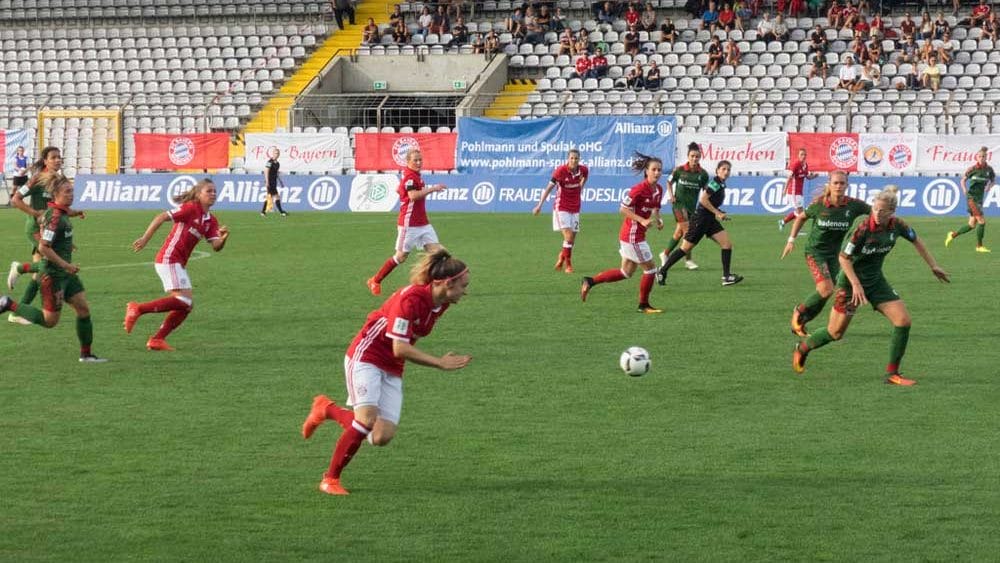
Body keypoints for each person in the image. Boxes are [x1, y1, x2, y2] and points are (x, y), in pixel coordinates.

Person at [301, 249, 472, 496]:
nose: (465, 291)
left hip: (392, 365)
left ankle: (327, 409)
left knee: (380, 437)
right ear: (446, 283)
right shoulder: (410, 300)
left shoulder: (441, 304)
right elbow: (400, 347)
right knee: (366, 421)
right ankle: (330, 479)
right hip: (366, 356)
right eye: (462, 286)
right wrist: (439, 363)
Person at [792, 186, 951, 386]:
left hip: (876, 282)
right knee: (835, 333)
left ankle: (893, 374)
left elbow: (915, 239)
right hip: (850, 285)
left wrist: (933, 265)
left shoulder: (898, 225)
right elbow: (843, 258)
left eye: (881, 210)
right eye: (875, 208)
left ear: (891, 212)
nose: (876, 213)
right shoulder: (862, 229)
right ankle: (803, 348)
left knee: (903, 321)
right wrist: (855, 284)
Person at [0, 176, 106, 362]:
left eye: (72, 191)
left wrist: (70, 233)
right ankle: (9, 304)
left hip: (66, 275)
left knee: (83, 309)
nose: (71, 195)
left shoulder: (61, 212)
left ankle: (86, 355)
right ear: (56, 194)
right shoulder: (55, 217)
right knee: (50, 321)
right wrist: (66, 265)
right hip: (53, 275)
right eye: (67, 192)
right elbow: (43, 247)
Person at [123, 179, 230, 351]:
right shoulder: (190, 208)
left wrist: (223, 238)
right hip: (169, 258)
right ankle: (138, 308)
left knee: (186, 305)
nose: (213, 194)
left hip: (178, 263)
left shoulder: (210, 220)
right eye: (208, 191)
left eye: (214, 191)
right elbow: (161, 217)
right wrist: (145, 238)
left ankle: (157, 339)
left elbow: (216, 246)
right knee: (184, 300)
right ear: (198, 194)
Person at [781, 171, 871, 338]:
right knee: (825, 289)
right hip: (815, 252)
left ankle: (801, 322)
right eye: (835, 183)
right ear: (829, 184)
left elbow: (874, 214)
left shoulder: (854, 206)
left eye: (842, 183)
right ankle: (798, 313)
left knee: (828, 291)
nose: (838, 186)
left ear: (847, 185)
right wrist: (791, 240)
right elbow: (801, 218)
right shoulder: (819, 204)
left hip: (835, 255)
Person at [580, 152, 665, 313]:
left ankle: (590, 281)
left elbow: (655, 207)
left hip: (634, 236)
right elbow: (623, 209)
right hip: (633, 236)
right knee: (651, 269)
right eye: (653, 169)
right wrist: (641, 220)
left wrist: (658, 219)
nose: (657, 173)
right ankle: (643, 305)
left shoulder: (658, 189)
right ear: (646, 171)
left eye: (659, 170)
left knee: (626, 272)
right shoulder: (638, 189)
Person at [5, 147, 79, 325]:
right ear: (45, 161)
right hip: (35, 229)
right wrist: (35, 214)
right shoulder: (37, 179)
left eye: (59, 157)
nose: (57, 160)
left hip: (51, 231)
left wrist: (73, 213)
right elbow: (15, 199)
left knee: (39, 274)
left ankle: (17, 310)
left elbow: (56, 209)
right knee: (47, 265)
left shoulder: (59, 180)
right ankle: (20, 268)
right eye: (53, 157)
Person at [367, 150, 447, 296]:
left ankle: (435, 284)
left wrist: (403, 195)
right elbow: (413, 195)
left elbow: (400, 191)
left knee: (439, 253)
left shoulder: (412, 175)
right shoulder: (410, 177)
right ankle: (375, 280)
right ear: (408, 162)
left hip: (423, 224)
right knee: (400, 257)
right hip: (409, 225)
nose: (418, 163)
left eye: (420, 160)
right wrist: (433, 189)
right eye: (415, 160)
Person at [657, 160, 743, 287]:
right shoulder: (715, 183)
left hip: (709, 219)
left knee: (727, 244)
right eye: (723, 169)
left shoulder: (721, 184)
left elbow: (711, 203)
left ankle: (726, 277)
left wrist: (718, 212)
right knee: (685, 249)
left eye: (728, 170)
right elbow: (703, 200)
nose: (726, 172)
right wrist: (718, 213)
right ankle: (662, 271)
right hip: (701, 219)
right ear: (717, 170)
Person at [533, 149, 589, 274]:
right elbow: (548, 188)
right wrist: (539, 205)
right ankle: (568, 265)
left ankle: (562, 256)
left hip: (575, 207)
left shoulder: (583, 170)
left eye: (576, 158)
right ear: (568, 159)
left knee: (572, 240)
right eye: (571, 158)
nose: (574, 160)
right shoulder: (561, 171)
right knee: (568, 236)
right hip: (561, 207)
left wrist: (581, 186)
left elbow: (585, 178)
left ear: (579, 159)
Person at [661, 142, 706, 271]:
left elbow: (706, 190)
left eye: (697, 156)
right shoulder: (679, 170)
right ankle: (688, 260)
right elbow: (669, 182)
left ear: (699, 158)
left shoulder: (702, 174)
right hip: (678, 206)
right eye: (692, 156)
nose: (694, 159)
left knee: (679, 232)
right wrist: (671, 196)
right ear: (688, 156)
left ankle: (665, 254)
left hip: (692, 207)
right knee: (688, 232)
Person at [946, 147, 995, 253]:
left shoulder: (989, 170)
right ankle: (979, 246)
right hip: (971, 198)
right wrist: (964, 189)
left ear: (986, 157)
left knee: (971, 225)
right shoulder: (972, 169)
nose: (981, 158)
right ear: (977, 157)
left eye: (983, 156)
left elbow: (993, 180)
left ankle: (952, 235)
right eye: (980, 156)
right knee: (982, 222)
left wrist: (989, 186)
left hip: (980, 199)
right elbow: (963, 180)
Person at [779, 148, 819, 230]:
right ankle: (797, 229)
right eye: (801, 154)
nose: (803, 156)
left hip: (799, 192)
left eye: (804, 154)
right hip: (793, 192)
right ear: (798, 155)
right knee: (800, 211)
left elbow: (807, 177)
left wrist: (814, 176)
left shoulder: (805, 165)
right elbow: (789, 177)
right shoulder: (796, 164)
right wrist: (785, 190)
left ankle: (783, 222)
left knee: (799, 211)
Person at [260, 147, 288, 217]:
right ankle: (281, 212)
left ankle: (263, 212)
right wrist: (267, 181)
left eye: (278, 153)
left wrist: (280, 181)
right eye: (275, 153)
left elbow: (276, 173)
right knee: (274, 196)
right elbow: (266, 171)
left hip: (274, 182)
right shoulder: (269, 162)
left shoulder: (277, 163)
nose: (277, 154)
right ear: (272, 154)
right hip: (270, 181)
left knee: (270, 197)